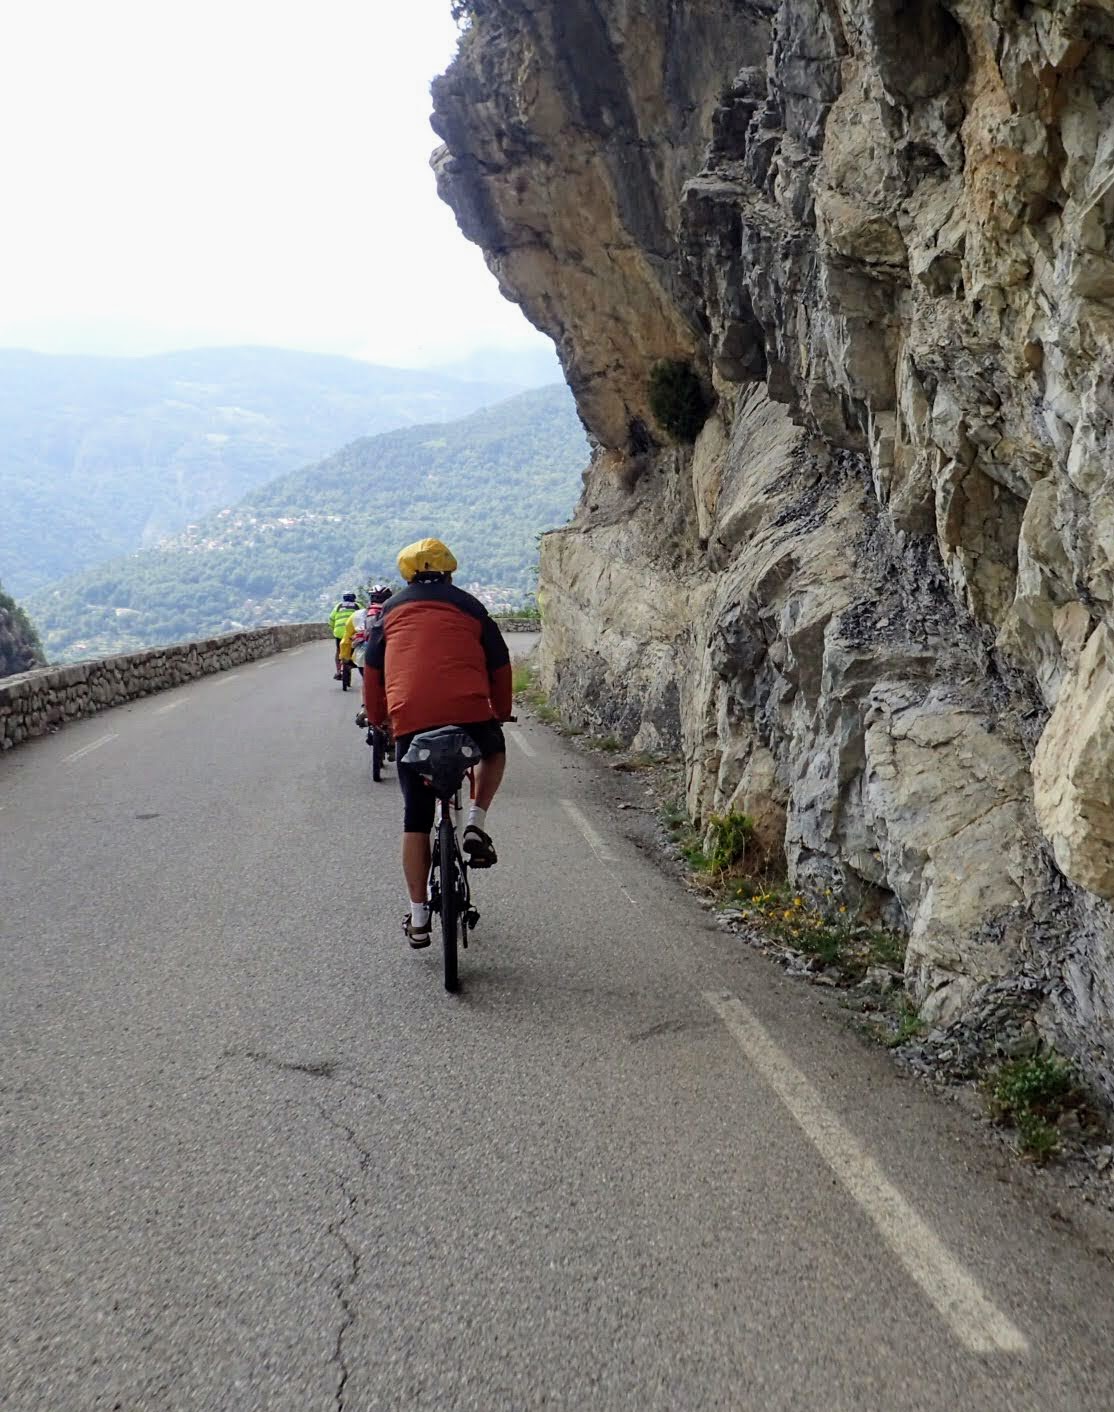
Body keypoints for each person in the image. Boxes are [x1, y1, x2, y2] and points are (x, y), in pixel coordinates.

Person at [363, 539, 511, 948]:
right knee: (494, 751)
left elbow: (372, 673)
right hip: (470, 713)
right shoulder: (471, 606)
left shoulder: (389, 612)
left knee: (416, 818)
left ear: (407, 574)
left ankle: (418, 918)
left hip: (411, 720)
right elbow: (500, 663)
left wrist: (378, 719)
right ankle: (475, 823)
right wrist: (500, 711)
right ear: (449, 571)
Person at [329, 592, 360, 679]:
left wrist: (335, 630)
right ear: (354, 599)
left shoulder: (338, 606)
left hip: (339, 632)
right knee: (356, 648)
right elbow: (364, 616)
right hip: (352, 633)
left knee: (339, 651)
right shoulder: (357, 606)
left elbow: (331, 620)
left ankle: (339, 671)